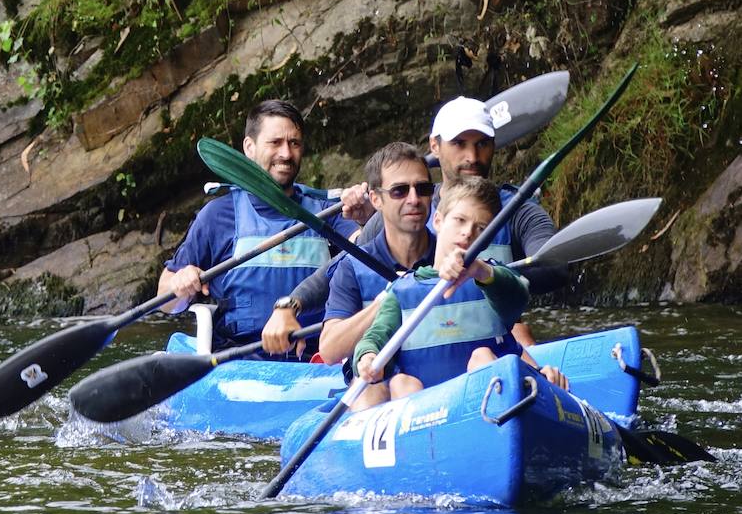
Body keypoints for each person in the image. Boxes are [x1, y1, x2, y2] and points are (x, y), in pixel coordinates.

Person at [288, 94, 571, 385]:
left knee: (512, 334)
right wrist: (292, 304)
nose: (472, 157)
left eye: (482, 144)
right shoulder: (393, 233)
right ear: (435, 147)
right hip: (411, 377)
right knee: (395, 385)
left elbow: (546, 276)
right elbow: (343, 270)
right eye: (459, 144)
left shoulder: (510, 218)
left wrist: (488, 273)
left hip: (478, 345)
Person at [159, 99, 357, 359]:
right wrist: (180, 283)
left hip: (317, 359)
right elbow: (165, 300)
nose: (286, 154)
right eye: (275, 143)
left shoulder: (327, 211)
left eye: (294, 143)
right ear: (249, 148)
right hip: (240, 361)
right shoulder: (218, 215)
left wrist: (368, 213)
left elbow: (366, 244)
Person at [353, 178, 528, 403]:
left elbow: (519, 297)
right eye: (460, 220)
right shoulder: (403, 290)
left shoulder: (494, 279)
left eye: (481, 228)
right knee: (401, 383)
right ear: (438, 221)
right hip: (423, 411)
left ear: (487, 241)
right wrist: (368, 356)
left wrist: (481, 271)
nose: (468, 233)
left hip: (483, 409)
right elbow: (376, 336)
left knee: (482, 357)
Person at [307, 143, 434, 407]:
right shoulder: (353, 267)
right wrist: (382, 304)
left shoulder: (451, 258)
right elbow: (329, 350)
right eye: (400, 191)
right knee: (370, 394)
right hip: (374, 381)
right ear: (376, 199)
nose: (414, 199)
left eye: (422, 189)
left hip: (440, 379)